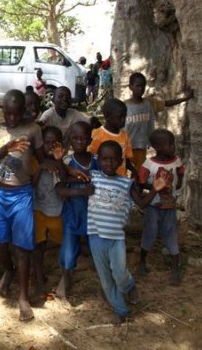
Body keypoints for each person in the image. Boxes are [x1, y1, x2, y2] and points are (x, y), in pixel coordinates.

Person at [88, 141, 166, 324]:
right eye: (105, 159)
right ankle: (121, 309)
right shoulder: (92, 177)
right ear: (98, 160)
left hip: (116, 238)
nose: (109, 163)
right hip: (95, 236)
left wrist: (155, 189)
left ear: (120, 161)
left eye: (113, 159)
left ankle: (129, 285)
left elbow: (142, 204)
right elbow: (69, 173)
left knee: (120, 274)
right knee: (106, 279)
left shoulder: (126, 183)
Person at [0, 89, 45, 321]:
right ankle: (9, 271)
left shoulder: (33, 129)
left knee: (22, 247)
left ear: (23, 111)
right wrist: (6, 149)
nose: (11, 118)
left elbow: (41, 159)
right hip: (0, 193)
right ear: (3, 111)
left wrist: (46, 171)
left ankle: (23, 297)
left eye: (16, 113)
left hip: (22, 194)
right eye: (8, 113)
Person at [55, 120, 99, 299]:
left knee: (95, 243)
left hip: (94, 215)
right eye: (75, 138)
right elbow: (60, 188)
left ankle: (101, 271)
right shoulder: (66, 161)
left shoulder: (97, 161)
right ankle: (65, 277)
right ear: (70, 140)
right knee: (69, 246)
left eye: (83, 138)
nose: (79, 141)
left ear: (90, 140)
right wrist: (80, 190)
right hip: (73, 212)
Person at [137, 129, 185, 285]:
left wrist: (177, 183)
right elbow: (141, 182)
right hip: (153, 207)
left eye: (173, 143)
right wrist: (156, 186)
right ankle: (142, 262)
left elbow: (180, 172)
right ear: (157, 147)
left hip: (170, 207)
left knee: (171, 235)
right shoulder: (149, 164)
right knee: (149, 233)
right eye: (169, 144)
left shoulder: (176, 161)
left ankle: (175, 269)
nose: (173, 147)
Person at [125, 72, 194, 170]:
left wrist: (185, 99)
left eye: (143, 86)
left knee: (139, 172)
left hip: (140, 146)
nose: (141, 89)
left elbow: (166, 103)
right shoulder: (125, 106)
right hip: (126, 146)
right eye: (138, 86)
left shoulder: (149, 103)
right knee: (123, 170)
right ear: (130, 87)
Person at [31, 125, 66, 294]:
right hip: (38, 210)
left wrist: (58, 161)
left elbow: (64, 180)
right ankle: (39, 278)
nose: (51, 146)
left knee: (64, 243)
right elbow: (31, 184)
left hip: (57, 211)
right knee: (38, 245)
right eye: (46, 143)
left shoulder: (63, 160)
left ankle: (65, 277)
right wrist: (41, 166)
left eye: (55, 143)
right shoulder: (34, 161)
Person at [89, 98, 135, 177]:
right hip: (103, 178)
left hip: (121, 178)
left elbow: (126, 158)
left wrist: (134, 171)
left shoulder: (125, 135)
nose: (123, 120)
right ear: (107, 116)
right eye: (119, 117)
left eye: (125, 116)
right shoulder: (97, 134)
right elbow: (91, 157)